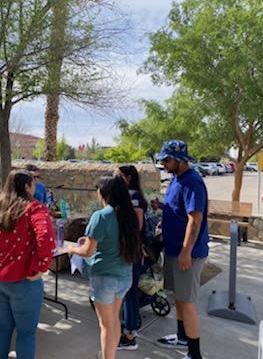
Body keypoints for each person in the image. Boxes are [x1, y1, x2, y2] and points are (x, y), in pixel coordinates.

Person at [0, 170, 56, 359]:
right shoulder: (34, 208)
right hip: (24, 280)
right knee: (26, 332)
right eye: (33, 183)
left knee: (3, 326)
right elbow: (45, 237)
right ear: (27, 186)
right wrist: (41, 267)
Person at [67, 175, 141, 359]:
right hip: (124, 276)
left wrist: (72, 249)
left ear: (104, 192)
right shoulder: (129, 214)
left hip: (104, 278)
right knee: (114, 321)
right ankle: (111, 354)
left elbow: (87, 251)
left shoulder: (101, 216)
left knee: (106, 325)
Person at [153, 140, 209, 359]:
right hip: (174, 249)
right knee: (178, 297)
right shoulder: (176, 179)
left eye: (166, 160)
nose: (163, 164)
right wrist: (163, 207)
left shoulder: (192, 182)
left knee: (187, 301)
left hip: (187, 253)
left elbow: (194, 219)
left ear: (180, 160)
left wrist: (186, 251)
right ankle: (181, 336)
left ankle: (194, 354)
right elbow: (179, 209)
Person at [115, 165, 148, 351]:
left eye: (118, 175)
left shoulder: (133, 196)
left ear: (128, 177)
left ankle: (129, 335)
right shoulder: (130, 194)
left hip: (132, 251)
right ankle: (129, 328)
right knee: (129, 291)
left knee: (130, 292)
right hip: (131, 250)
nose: (115, 177)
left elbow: (137, 226)